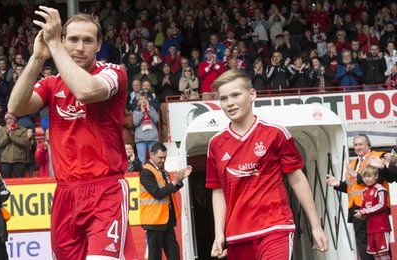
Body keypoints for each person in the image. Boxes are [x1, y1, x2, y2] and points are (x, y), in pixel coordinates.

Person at [8, 8, 137, 259]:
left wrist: (55, 44)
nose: (80, 47)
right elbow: (15, 107)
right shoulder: (51, 84)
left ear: (99, 44)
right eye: (73, 39)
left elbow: (85, 91)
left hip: (106, 190)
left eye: (88, 40)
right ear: (65, 40)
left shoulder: (113, 73)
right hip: (65, 193)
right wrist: (37, 58)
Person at [206, 70, 327, 259]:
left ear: (252, 94)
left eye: (236, 95)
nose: (229, 103)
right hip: (237, 235)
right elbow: (218, 190)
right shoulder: (216, 144)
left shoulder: (276, 133)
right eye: (223, 98)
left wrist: (315, 225)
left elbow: (296, 179)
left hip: (275, 227)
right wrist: (219, 233)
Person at [327, 134, 391, 260]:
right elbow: (352, 188)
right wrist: (338, 184)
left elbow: (379, 178)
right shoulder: (353, 163)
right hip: (357, 210)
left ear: (369, 145)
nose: (358, 147)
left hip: (375, 210)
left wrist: (355, 175)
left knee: (381, 249)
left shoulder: (377, 157)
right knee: (364, 247)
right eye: (355, 145)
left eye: (361, 144)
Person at [140, 143, 192, 260]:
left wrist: (180, 179)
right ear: (152, 155)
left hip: (165, 219)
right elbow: (158, 193)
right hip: (154, 221)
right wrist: (174, 182)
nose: (163, 160)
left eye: (165, 157)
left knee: (174, 254)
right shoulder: (146, 172)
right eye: (160, 157)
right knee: (155, 256)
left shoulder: (162, 171)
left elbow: (168, 190)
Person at [354, 166, 391, 260]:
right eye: (364, 177)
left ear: (376, 176)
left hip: (381, 227)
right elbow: (363, 206)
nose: (366, 179)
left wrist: (364, 211)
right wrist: (360, 212)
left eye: (369, 176)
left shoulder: (380, 189)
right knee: (375, 254)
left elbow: (381, 205)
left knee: (383, 253)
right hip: (370, 228)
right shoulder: (365, 191)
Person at [0, 112, 27, 178]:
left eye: (10, 119)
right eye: (7, 119)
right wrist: (7, 135)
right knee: (6, 182)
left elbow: (24, 143)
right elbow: (0, 144)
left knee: (20, 182)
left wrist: (11, 135)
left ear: (15, 119)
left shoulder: (23, 130)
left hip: (19, 160)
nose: (8, 121)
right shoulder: (2, 130)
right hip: (5, 160)